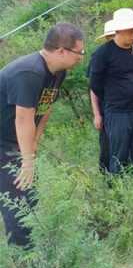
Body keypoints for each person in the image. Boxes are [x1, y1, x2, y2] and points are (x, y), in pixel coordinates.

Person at [0, 23, 85, 247]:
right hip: (3, 142)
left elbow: (45, 107)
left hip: (17, 140)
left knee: (29, 196)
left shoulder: (58, 72)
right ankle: (22, 266)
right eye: (79, 52)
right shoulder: (30, 72)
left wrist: (34, 143)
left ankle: (32, 251)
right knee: (15, 200)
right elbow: (23, 118)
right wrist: (27, 161)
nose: (81, 57)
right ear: (61, 51)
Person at [89, 8, 133, 174]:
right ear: (119, 30)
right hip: (117, 112)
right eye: (131, 31)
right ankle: (118, 191)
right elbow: (95, 85)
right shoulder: (103, 53)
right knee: (118, 154)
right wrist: (109, 102)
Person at [88, 20, 115, 173]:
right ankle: (107, 178)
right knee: (107, 145)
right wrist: (97, 114)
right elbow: (93, 88)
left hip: (123, 110)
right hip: (105, 109)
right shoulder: (99, 56)